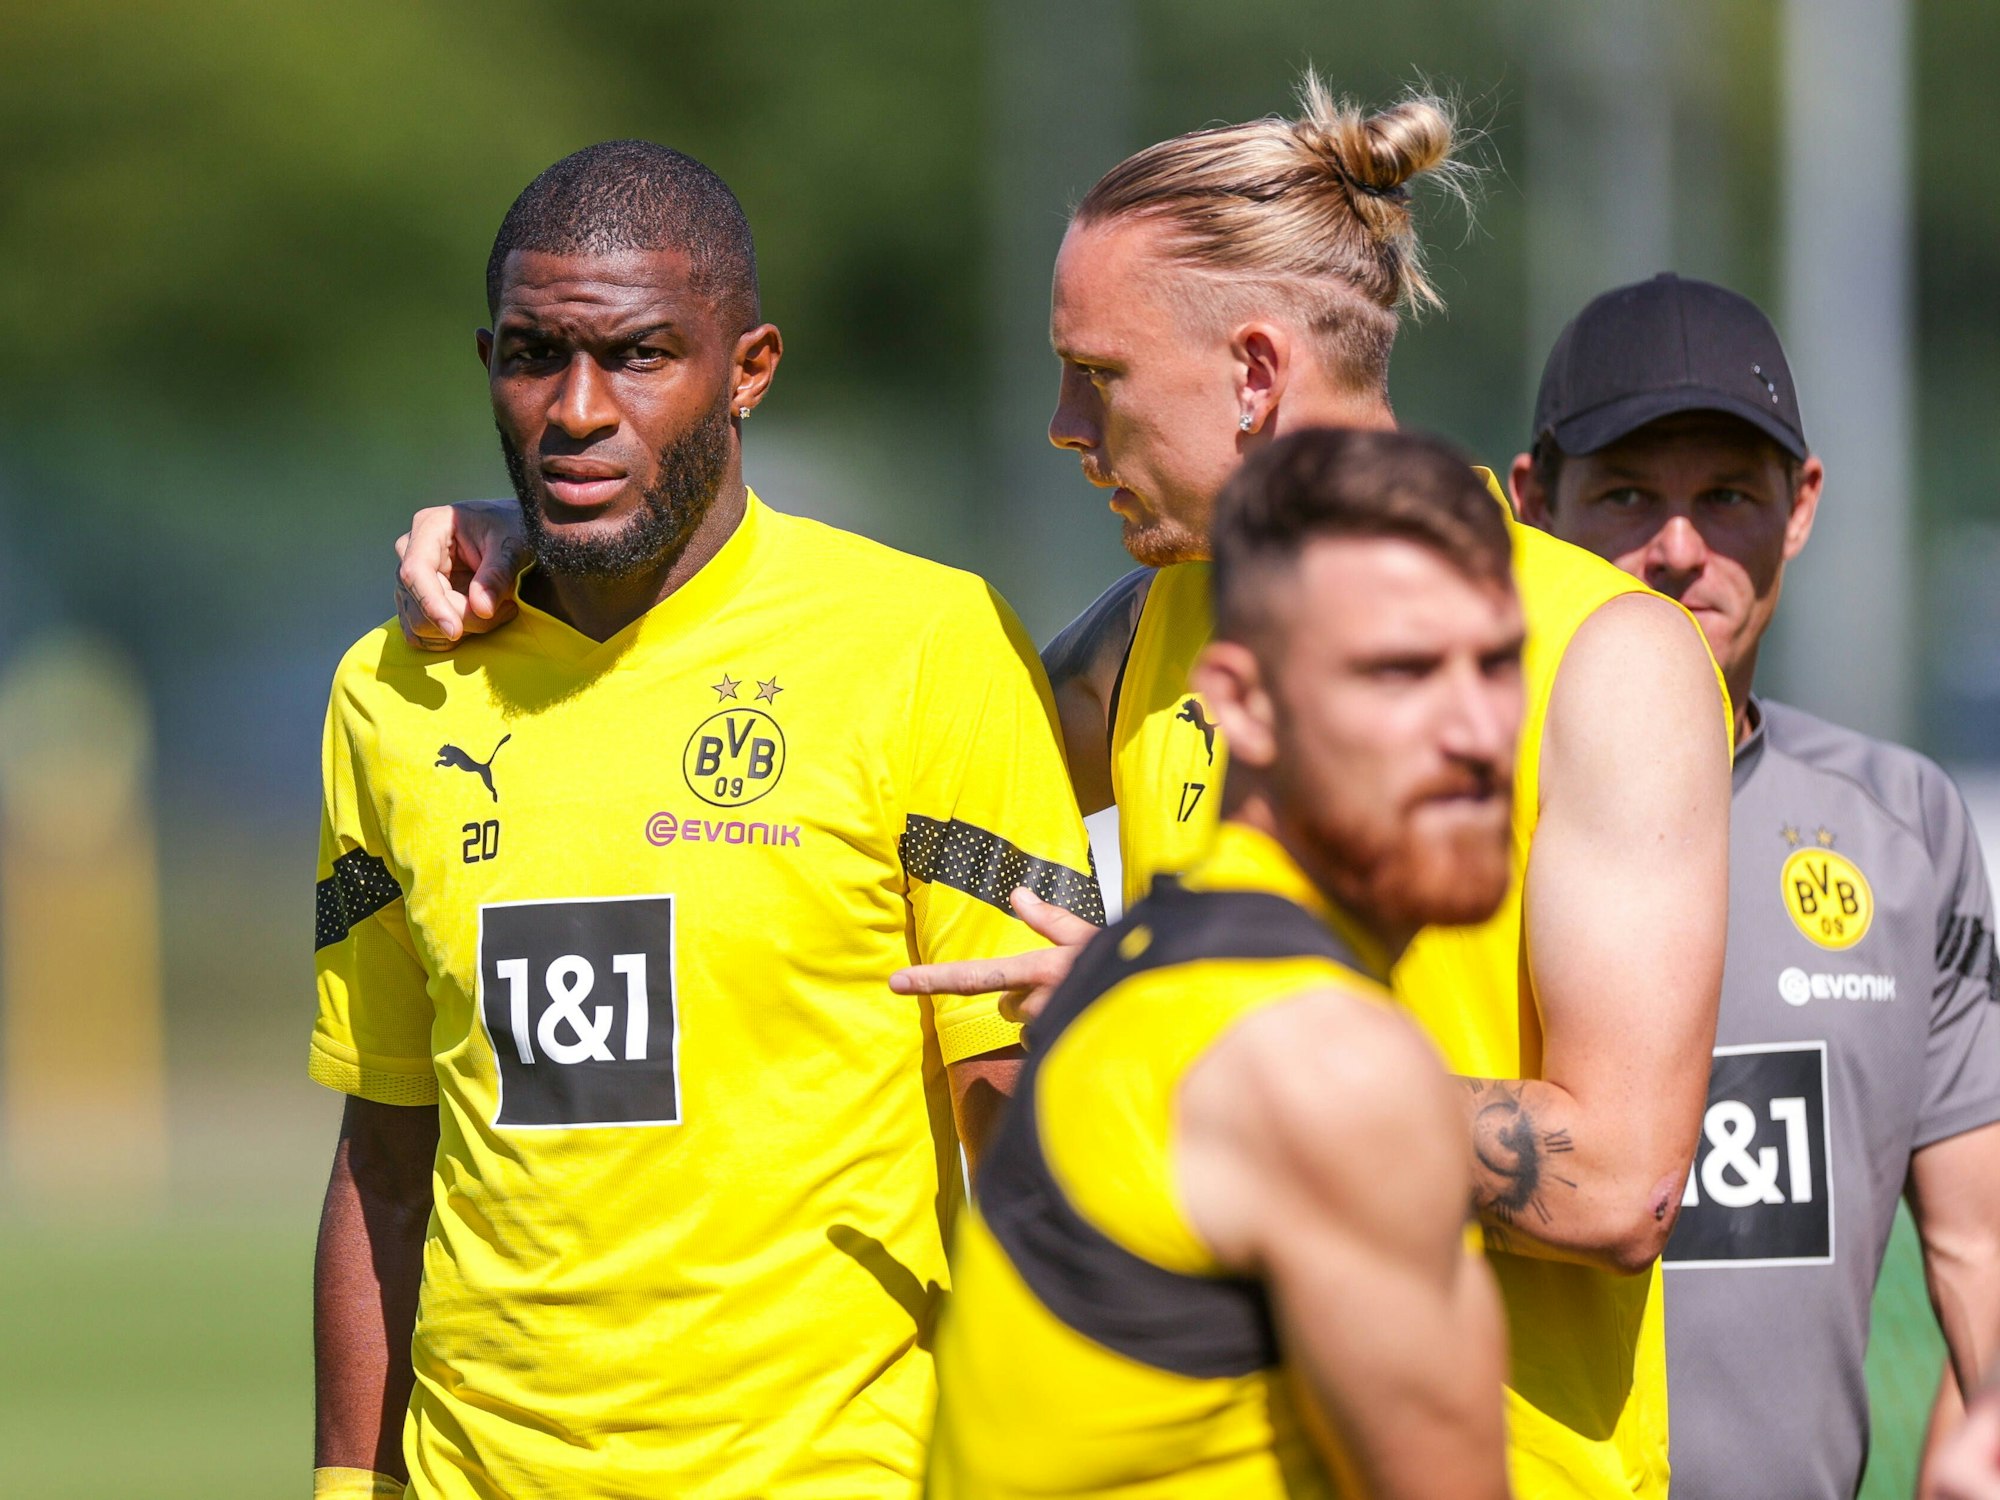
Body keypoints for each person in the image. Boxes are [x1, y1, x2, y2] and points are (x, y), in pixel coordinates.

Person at [387, 79, 1732, 1498]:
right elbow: (840, 714)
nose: (1060, 423)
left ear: (1255, 375)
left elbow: (1612, 1183)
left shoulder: (1601, 659)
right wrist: (558, 552)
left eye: (1098, 374)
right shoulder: (1159, 629)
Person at [310, 142, 1100, 1500]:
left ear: (750, 368)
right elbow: (388, 1152)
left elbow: (1022, 1119)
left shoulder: (926, 646)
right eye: (531, 353)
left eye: (638, 356)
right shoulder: (391, 692)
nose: (574, 409)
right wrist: (345, 1482)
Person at [928, 426, 1517, 1500]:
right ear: (1235, 703)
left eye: (1498, 663)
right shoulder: (1316, 1063)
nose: (1475, 731)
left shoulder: (1151, 961)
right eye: (1398, 672)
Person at [1512, 272, 2000, 1500]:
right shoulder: (1427, 819)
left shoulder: (1902, 827)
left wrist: (1981, 1431)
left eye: (1724, 496)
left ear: (1801, 505)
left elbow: (1978, 1238)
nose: (1677, 551)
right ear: (1530, 504)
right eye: (1625, 495)